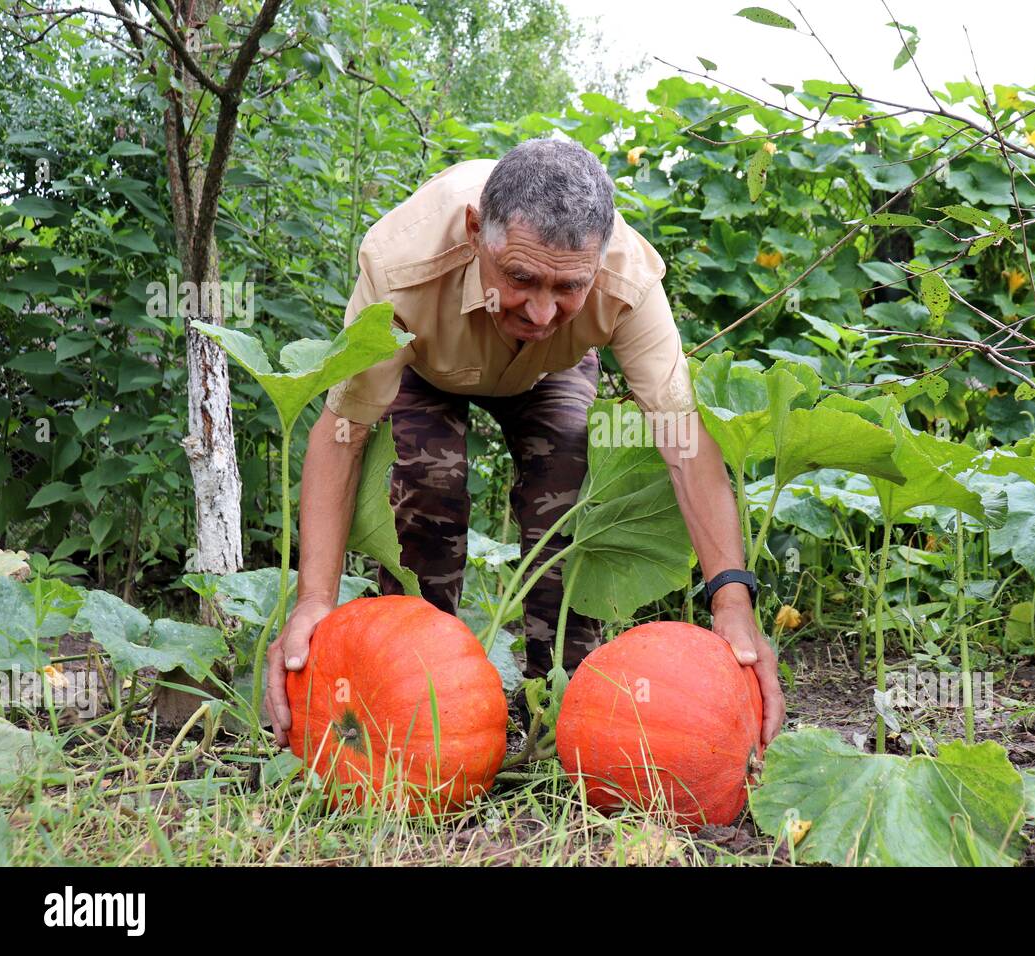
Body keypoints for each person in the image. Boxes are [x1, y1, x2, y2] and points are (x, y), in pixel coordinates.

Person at [264, 138, 785, 749]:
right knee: (427, 484)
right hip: (428, 366)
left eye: (569, 286)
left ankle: (559, 700)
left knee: (565, 479)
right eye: (521, 278)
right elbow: (345, 432)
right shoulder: (399, 265)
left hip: (551, 372)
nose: (541, 312)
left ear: (599, 258)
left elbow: (683, 440)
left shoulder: (627, 278)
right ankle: (412, 690)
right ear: (475, 231)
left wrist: (732, 602)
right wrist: (314, 601)